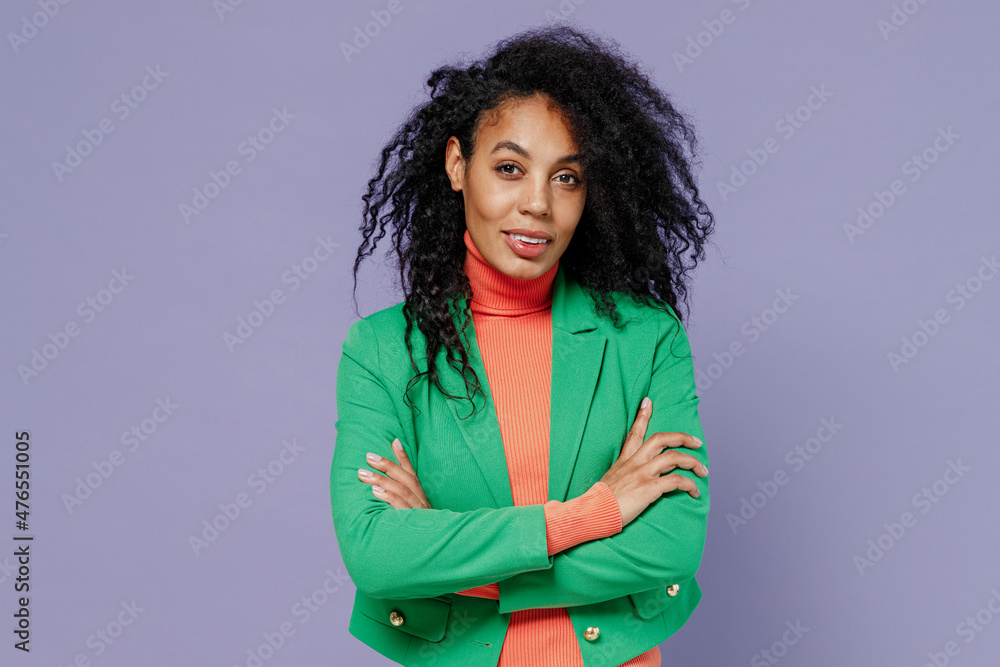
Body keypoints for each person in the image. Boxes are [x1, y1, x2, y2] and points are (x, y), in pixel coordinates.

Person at [330, 24, 715, 666]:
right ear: (458, 165)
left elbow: (671, 545)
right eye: (510, 168)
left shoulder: (647, 340)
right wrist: (596, 512)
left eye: (567, 178)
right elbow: (375, 554)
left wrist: (447, 557)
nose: (538, 203)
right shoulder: (379, 351)